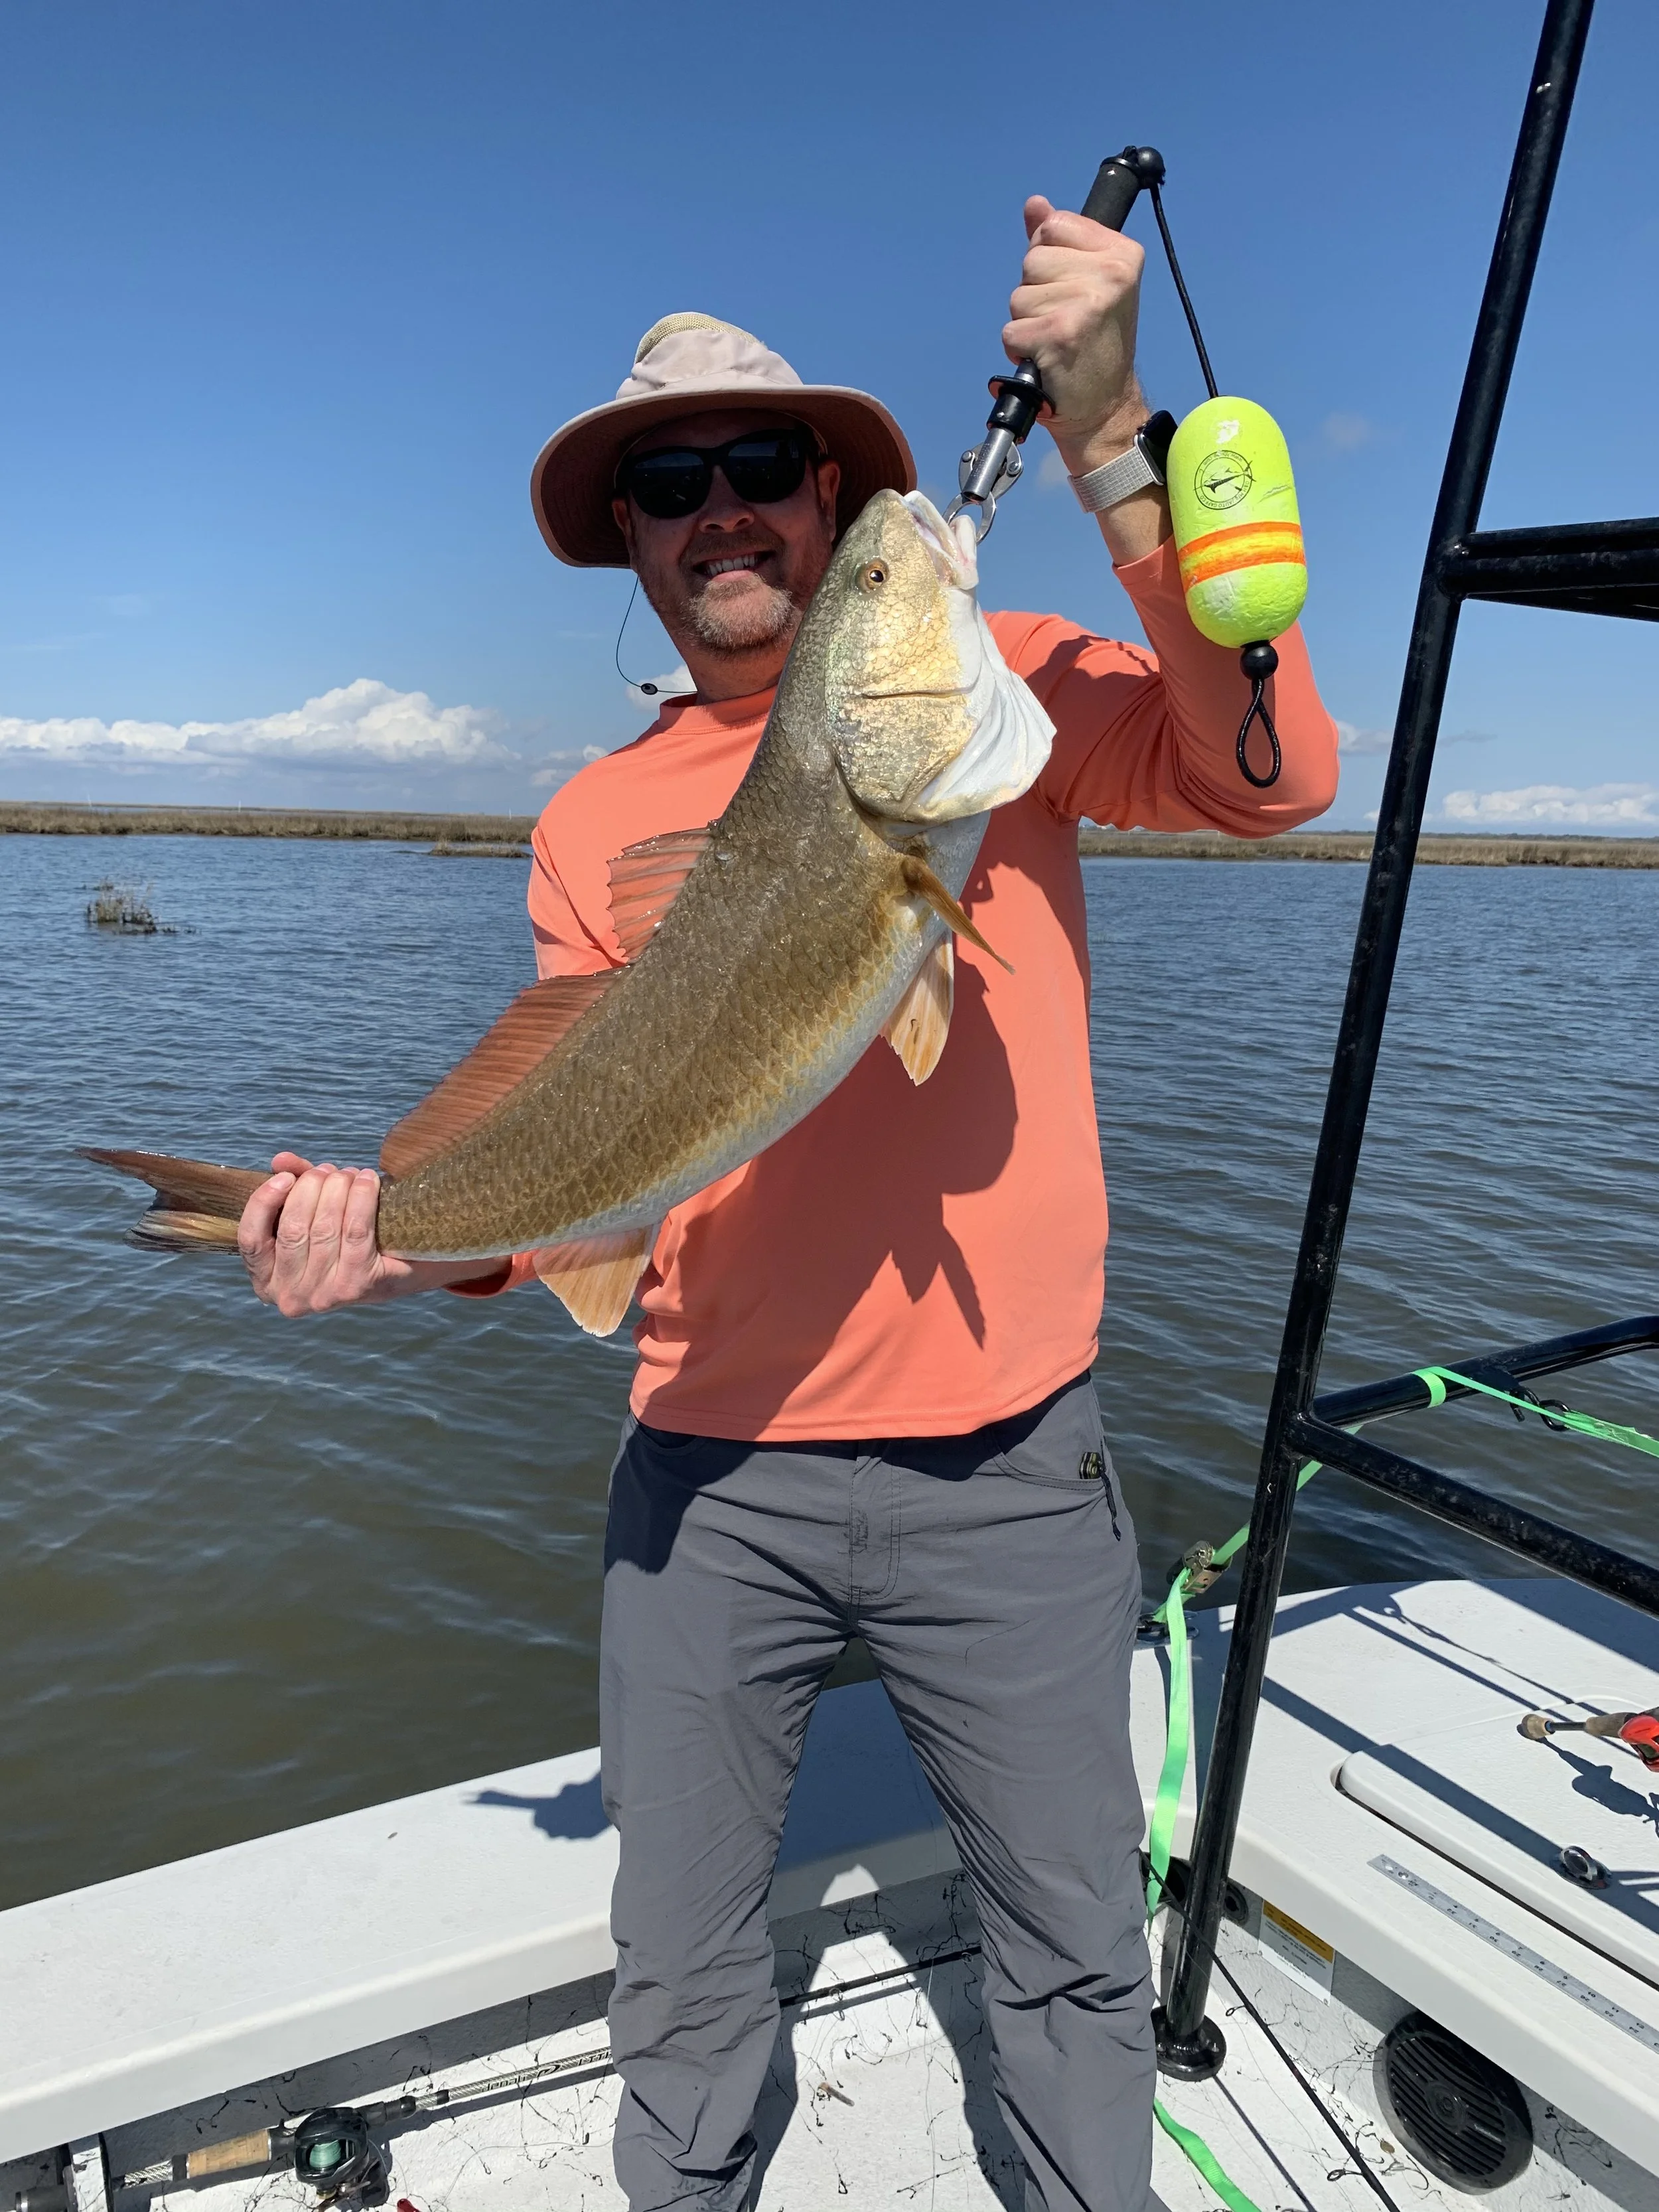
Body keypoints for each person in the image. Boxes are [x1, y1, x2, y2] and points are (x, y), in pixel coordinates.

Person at [237, 198, 1338, 2212]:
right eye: (674, 483)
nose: (723, 511)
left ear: (828, 498)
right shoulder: (591, 821)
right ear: (634, 539)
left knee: (1076, 1947)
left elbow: (1264, 775)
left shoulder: (993, 695)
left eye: (763, 469)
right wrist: (390, 1233)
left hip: (1006, 1472)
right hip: (708, 1487)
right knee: (675, 1974)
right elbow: (589, 1184)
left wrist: (1109, 446)